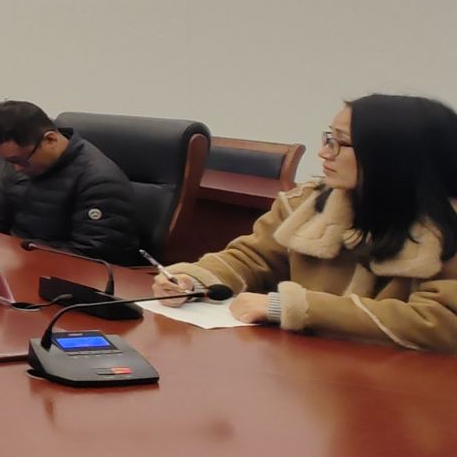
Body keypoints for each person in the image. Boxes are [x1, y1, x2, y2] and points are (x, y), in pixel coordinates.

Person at [155, 95, 457, 350]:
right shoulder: (308, 204)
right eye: (328, 138)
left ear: (391, 156)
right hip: (313, 371)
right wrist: (193, 280)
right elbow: (253, 258)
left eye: (340, 143)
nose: (324, 153)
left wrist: (296, 307)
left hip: (404, 386)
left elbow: (440, 322)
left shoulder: (446, 225)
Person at [0, 100, 140, 265]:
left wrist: (22, 254)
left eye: (19, 160)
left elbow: (91, 256)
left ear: (50, 140)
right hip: (19, 264)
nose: (16, 168)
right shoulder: (20, 166)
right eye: (9, 161)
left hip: (68, 272)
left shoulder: (99, 182)